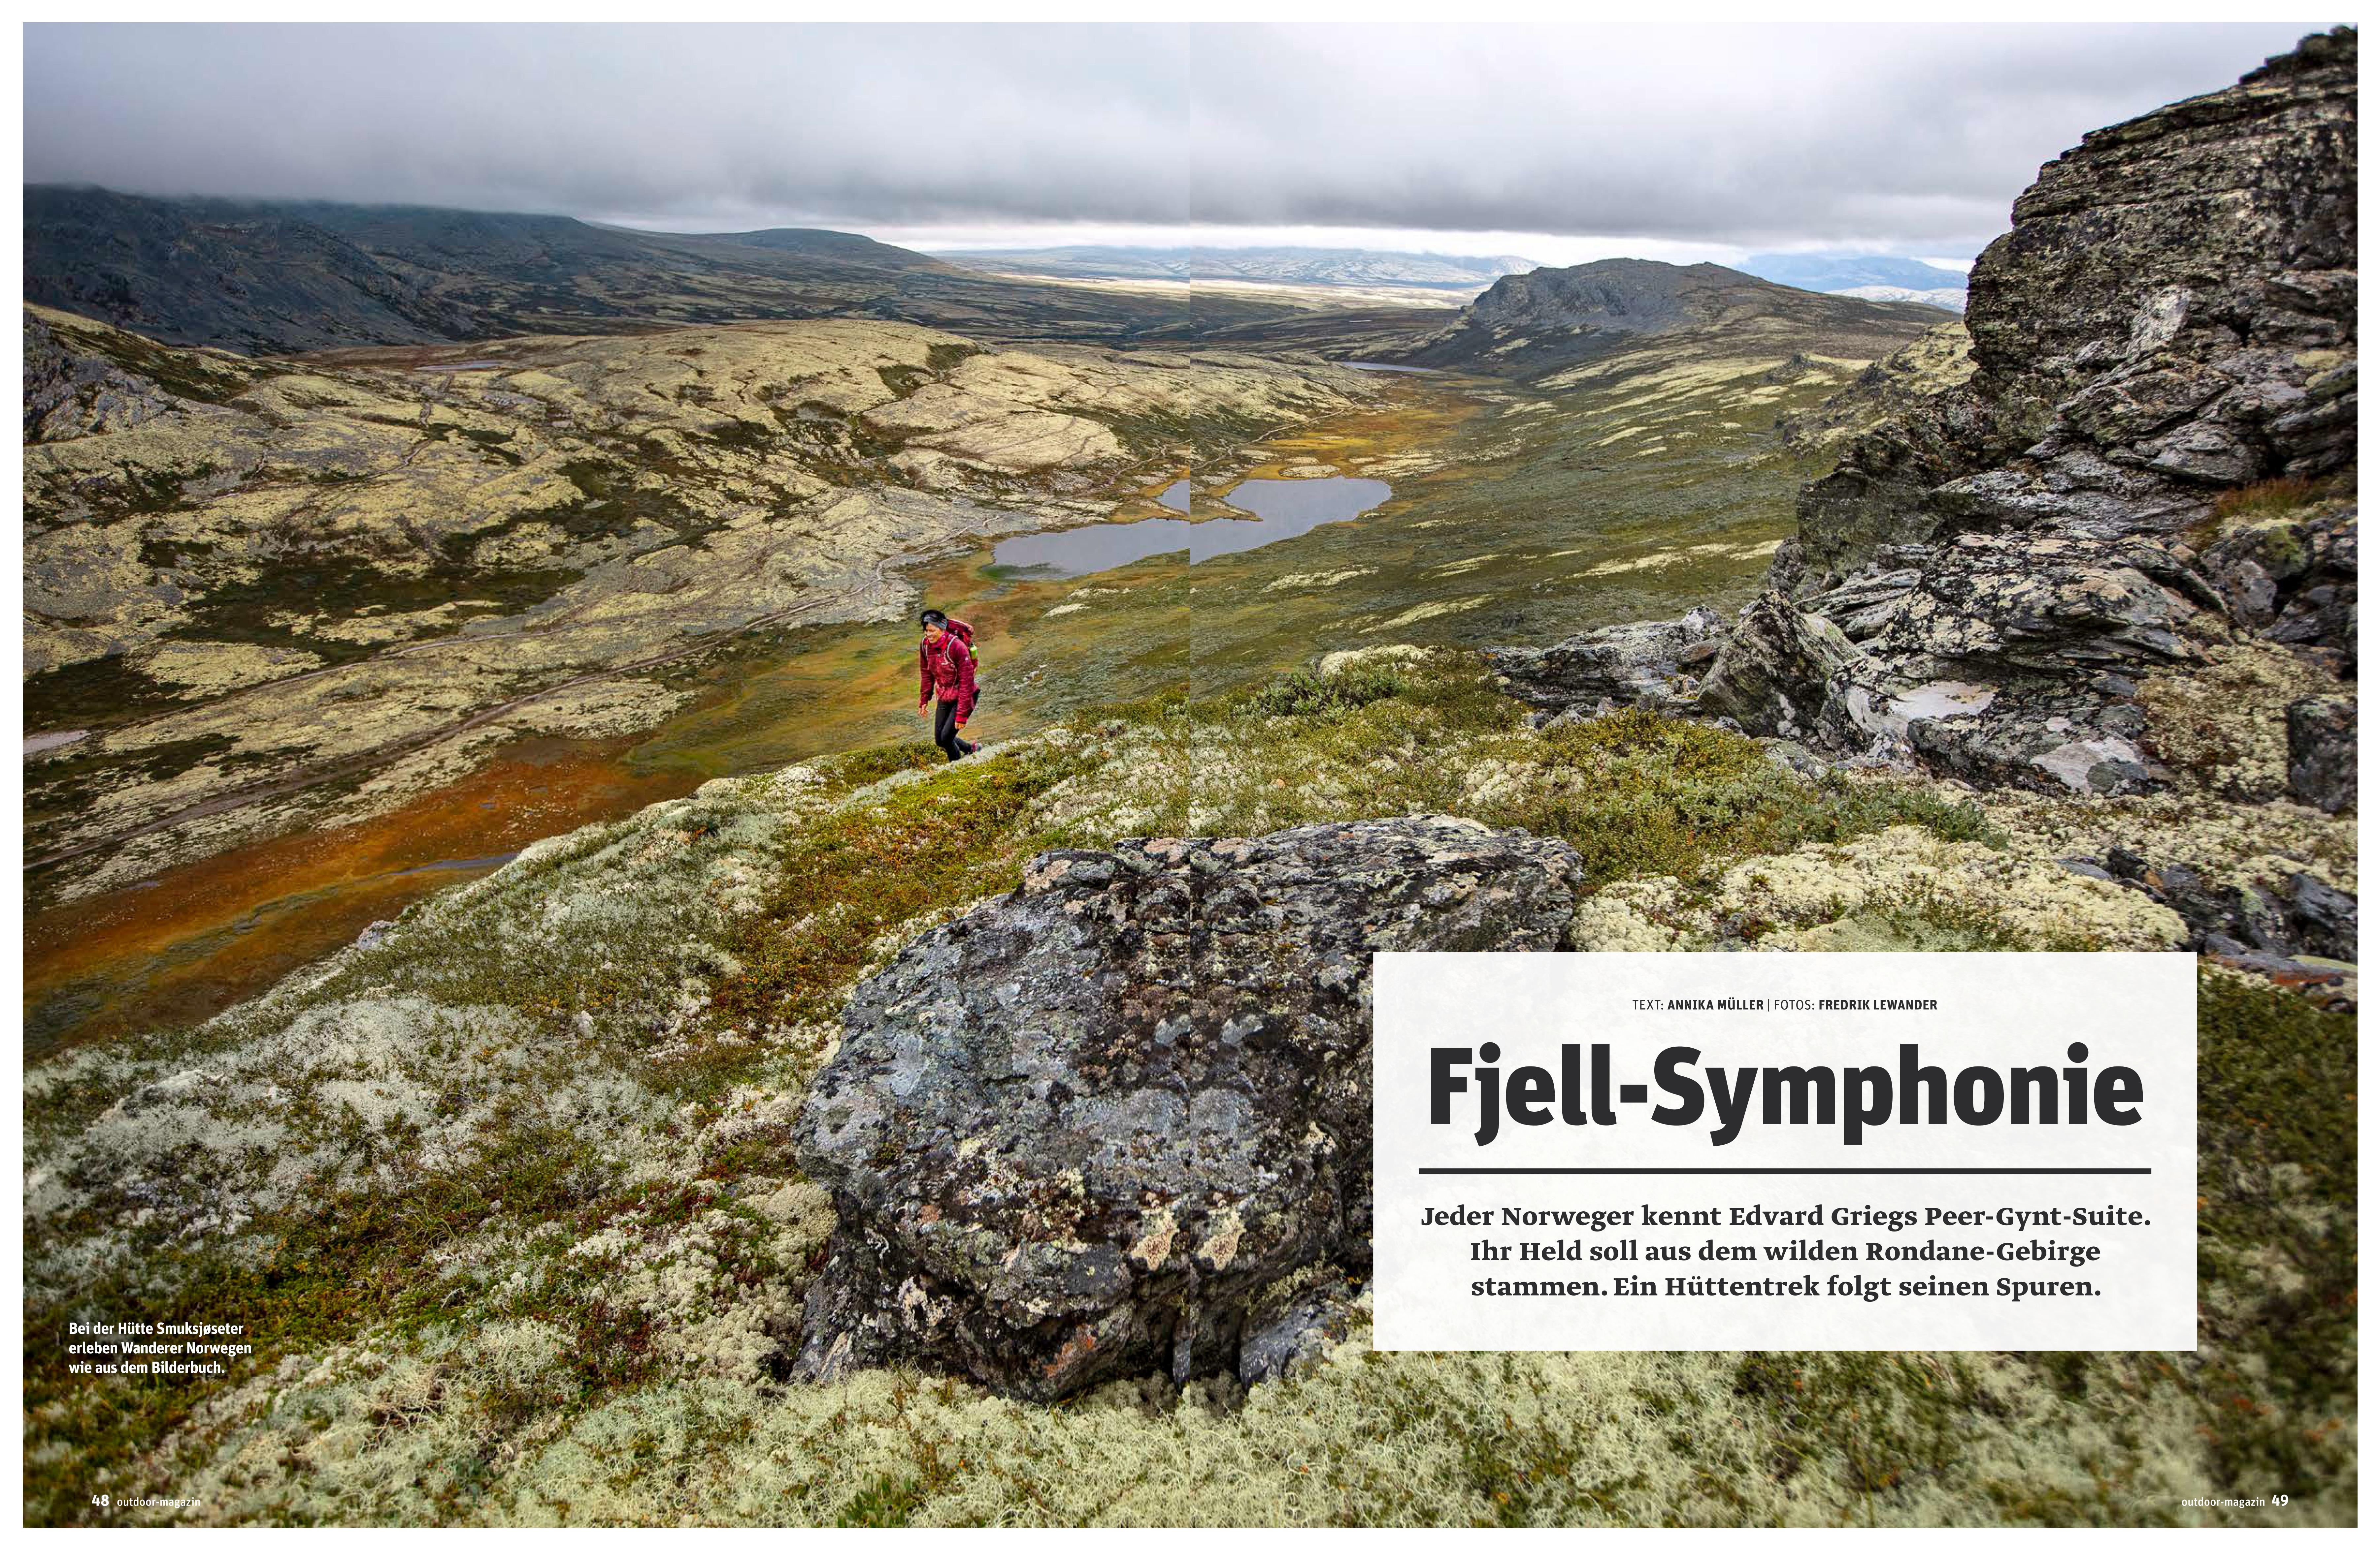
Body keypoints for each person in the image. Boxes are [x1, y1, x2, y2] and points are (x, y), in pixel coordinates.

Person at [916, 608, 979, 761]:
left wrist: (962, 715)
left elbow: (967, 683)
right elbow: (927, 673)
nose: (929, 635)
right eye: (926, 631)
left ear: (942, 629)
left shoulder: (957, 647)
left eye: (932, 631)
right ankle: (971, 749)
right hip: (945, 695)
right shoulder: (925, 646)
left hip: (964, 695)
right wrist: (924, 700)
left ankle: (956, 768)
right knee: (940, 740)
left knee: (946, 739)